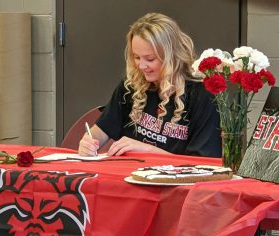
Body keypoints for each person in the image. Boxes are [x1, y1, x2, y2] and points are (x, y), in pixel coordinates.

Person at [78, 12, 222, 157]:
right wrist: (88, 143)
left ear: (172, 56)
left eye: (150, 59)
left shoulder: (201, 95)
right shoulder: (131, 86)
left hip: (174, 179)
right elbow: (100, 131)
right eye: (136, 57)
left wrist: (148, 150)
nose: (141, 66)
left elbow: (203, 167)